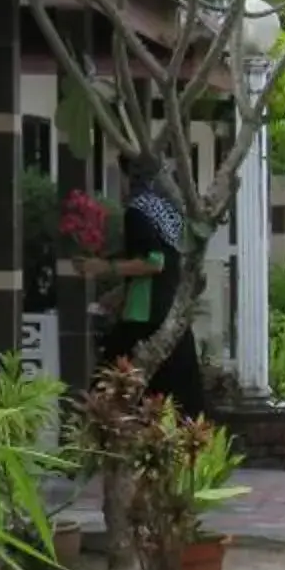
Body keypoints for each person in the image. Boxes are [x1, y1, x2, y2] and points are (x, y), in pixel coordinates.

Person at [82, 156, 208, 414]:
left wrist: (104, 268)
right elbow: (171, 264)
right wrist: (119, 293)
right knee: (181, 397)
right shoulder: (170, 214)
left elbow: (154, 262)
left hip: (144, 317)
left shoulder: (137, 212)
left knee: (106, 389)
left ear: (129, 178)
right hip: (173, 313)